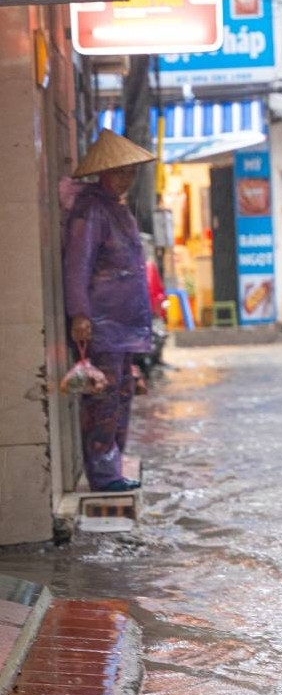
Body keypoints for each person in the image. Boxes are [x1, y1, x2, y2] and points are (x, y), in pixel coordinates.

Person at [61, 129, 157, 493]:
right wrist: (80, 314)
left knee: (119, 399)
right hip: (102, 326)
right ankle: (104, 473)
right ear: (102, 172)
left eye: (130, 171)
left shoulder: (116, 209)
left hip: (124, 328)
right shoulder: (92, 210)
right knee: (103, 402)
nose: (126, 178)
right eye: (119, 171)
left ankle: (112, 466)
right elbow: (77, 265)